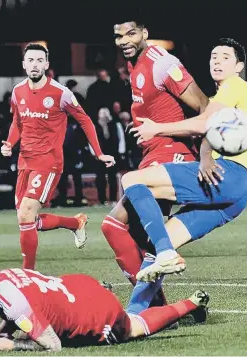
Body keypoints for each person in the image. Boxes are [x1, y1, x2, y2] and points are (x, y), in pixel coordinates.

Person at [125, 37, 247, 286]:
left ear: (239, 66)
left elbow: (203, 123)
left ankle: (166, 252)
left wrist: (157, 129)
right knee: (155, 249)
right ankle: (137, 316)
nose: (217, 61)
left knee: (131, 179)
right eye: (213, 56)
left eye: (225, 57)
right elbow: (210, 129)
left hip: (226, 175)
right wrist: (205, 155)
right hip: (236, 193)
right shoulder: (224, 97)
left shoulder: (235, 86)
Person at [101, 14, 209, 314]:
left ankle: (148, 309)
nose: (124, 41)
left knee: (114, 227)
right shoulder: (133, 67)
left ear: (145, 32)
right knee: (130, 235)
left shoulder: (162, 62)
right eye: (118, 36)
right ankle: (161, 308)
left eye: (130, 34)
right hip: (154, 154)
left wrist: (206, 155)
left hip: (173, 155)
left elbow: (205, 108)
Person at [2, 43, 115, 270]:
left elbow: (85, 120)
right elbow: (17, 122)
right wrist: (9, 143)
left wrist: (99, 152)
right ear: (24, 65)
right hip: (25, 161)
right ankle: (75, 223)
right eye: (30, 60)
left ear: (46, 64)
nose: (34, 65)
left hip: (48, 162)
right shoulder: (17, 92)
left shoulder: (60, 93)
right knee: (27, 220)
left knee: (25, 214)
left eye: (39, 60)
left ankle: (28, 274)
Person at [0, 263, 209, 352]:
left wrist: (12, 345)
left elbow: (53, 345)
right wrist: (3, 333)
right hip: (80, 287)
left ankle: (191, 303)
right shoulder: (3, 276)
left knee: (133, 327)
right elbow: (13, 307)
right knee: (131, 315)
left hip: (95, 313)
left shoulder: (14, 305)